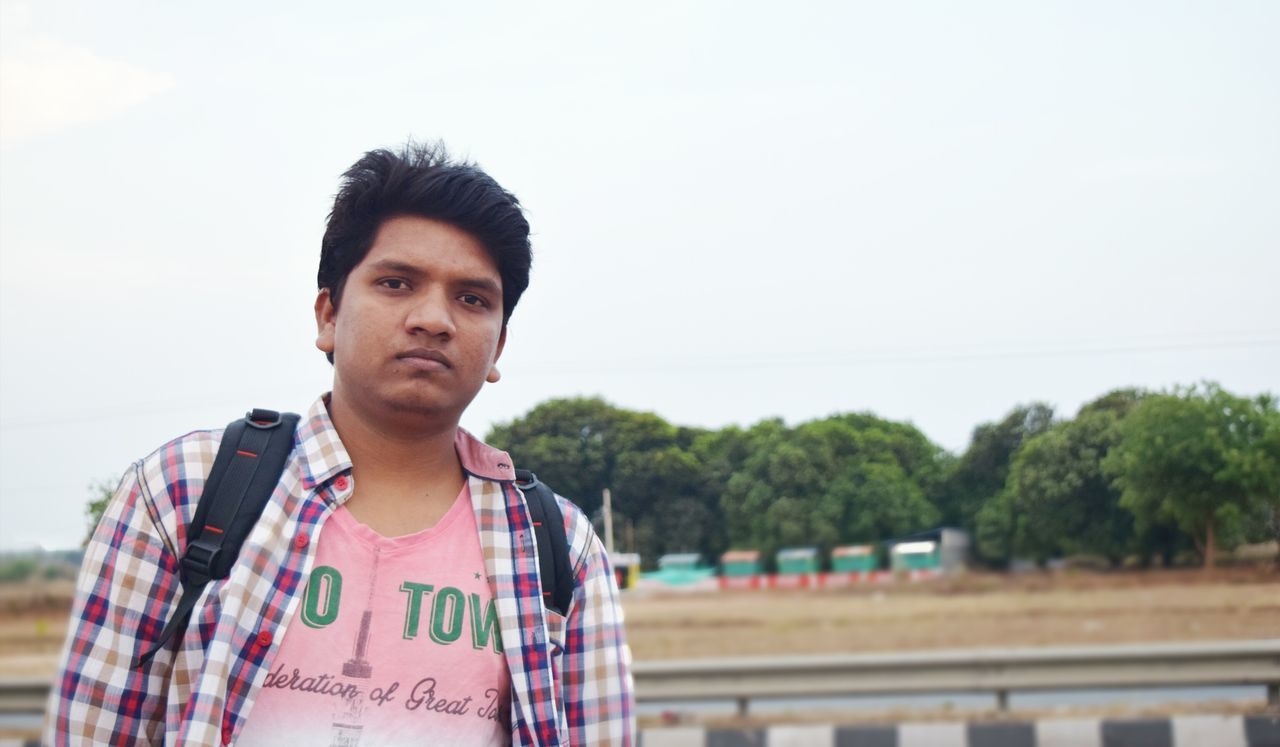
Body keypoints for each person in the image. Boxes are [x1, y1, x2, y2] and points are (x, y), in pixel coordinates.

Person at [45, 142, 635, 745]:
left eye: (472, 298)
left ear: (498, 348)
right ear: (328, 315)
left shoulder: (556, 547)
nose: (434, 318)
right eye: (397, 283)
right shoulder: (184, 489)